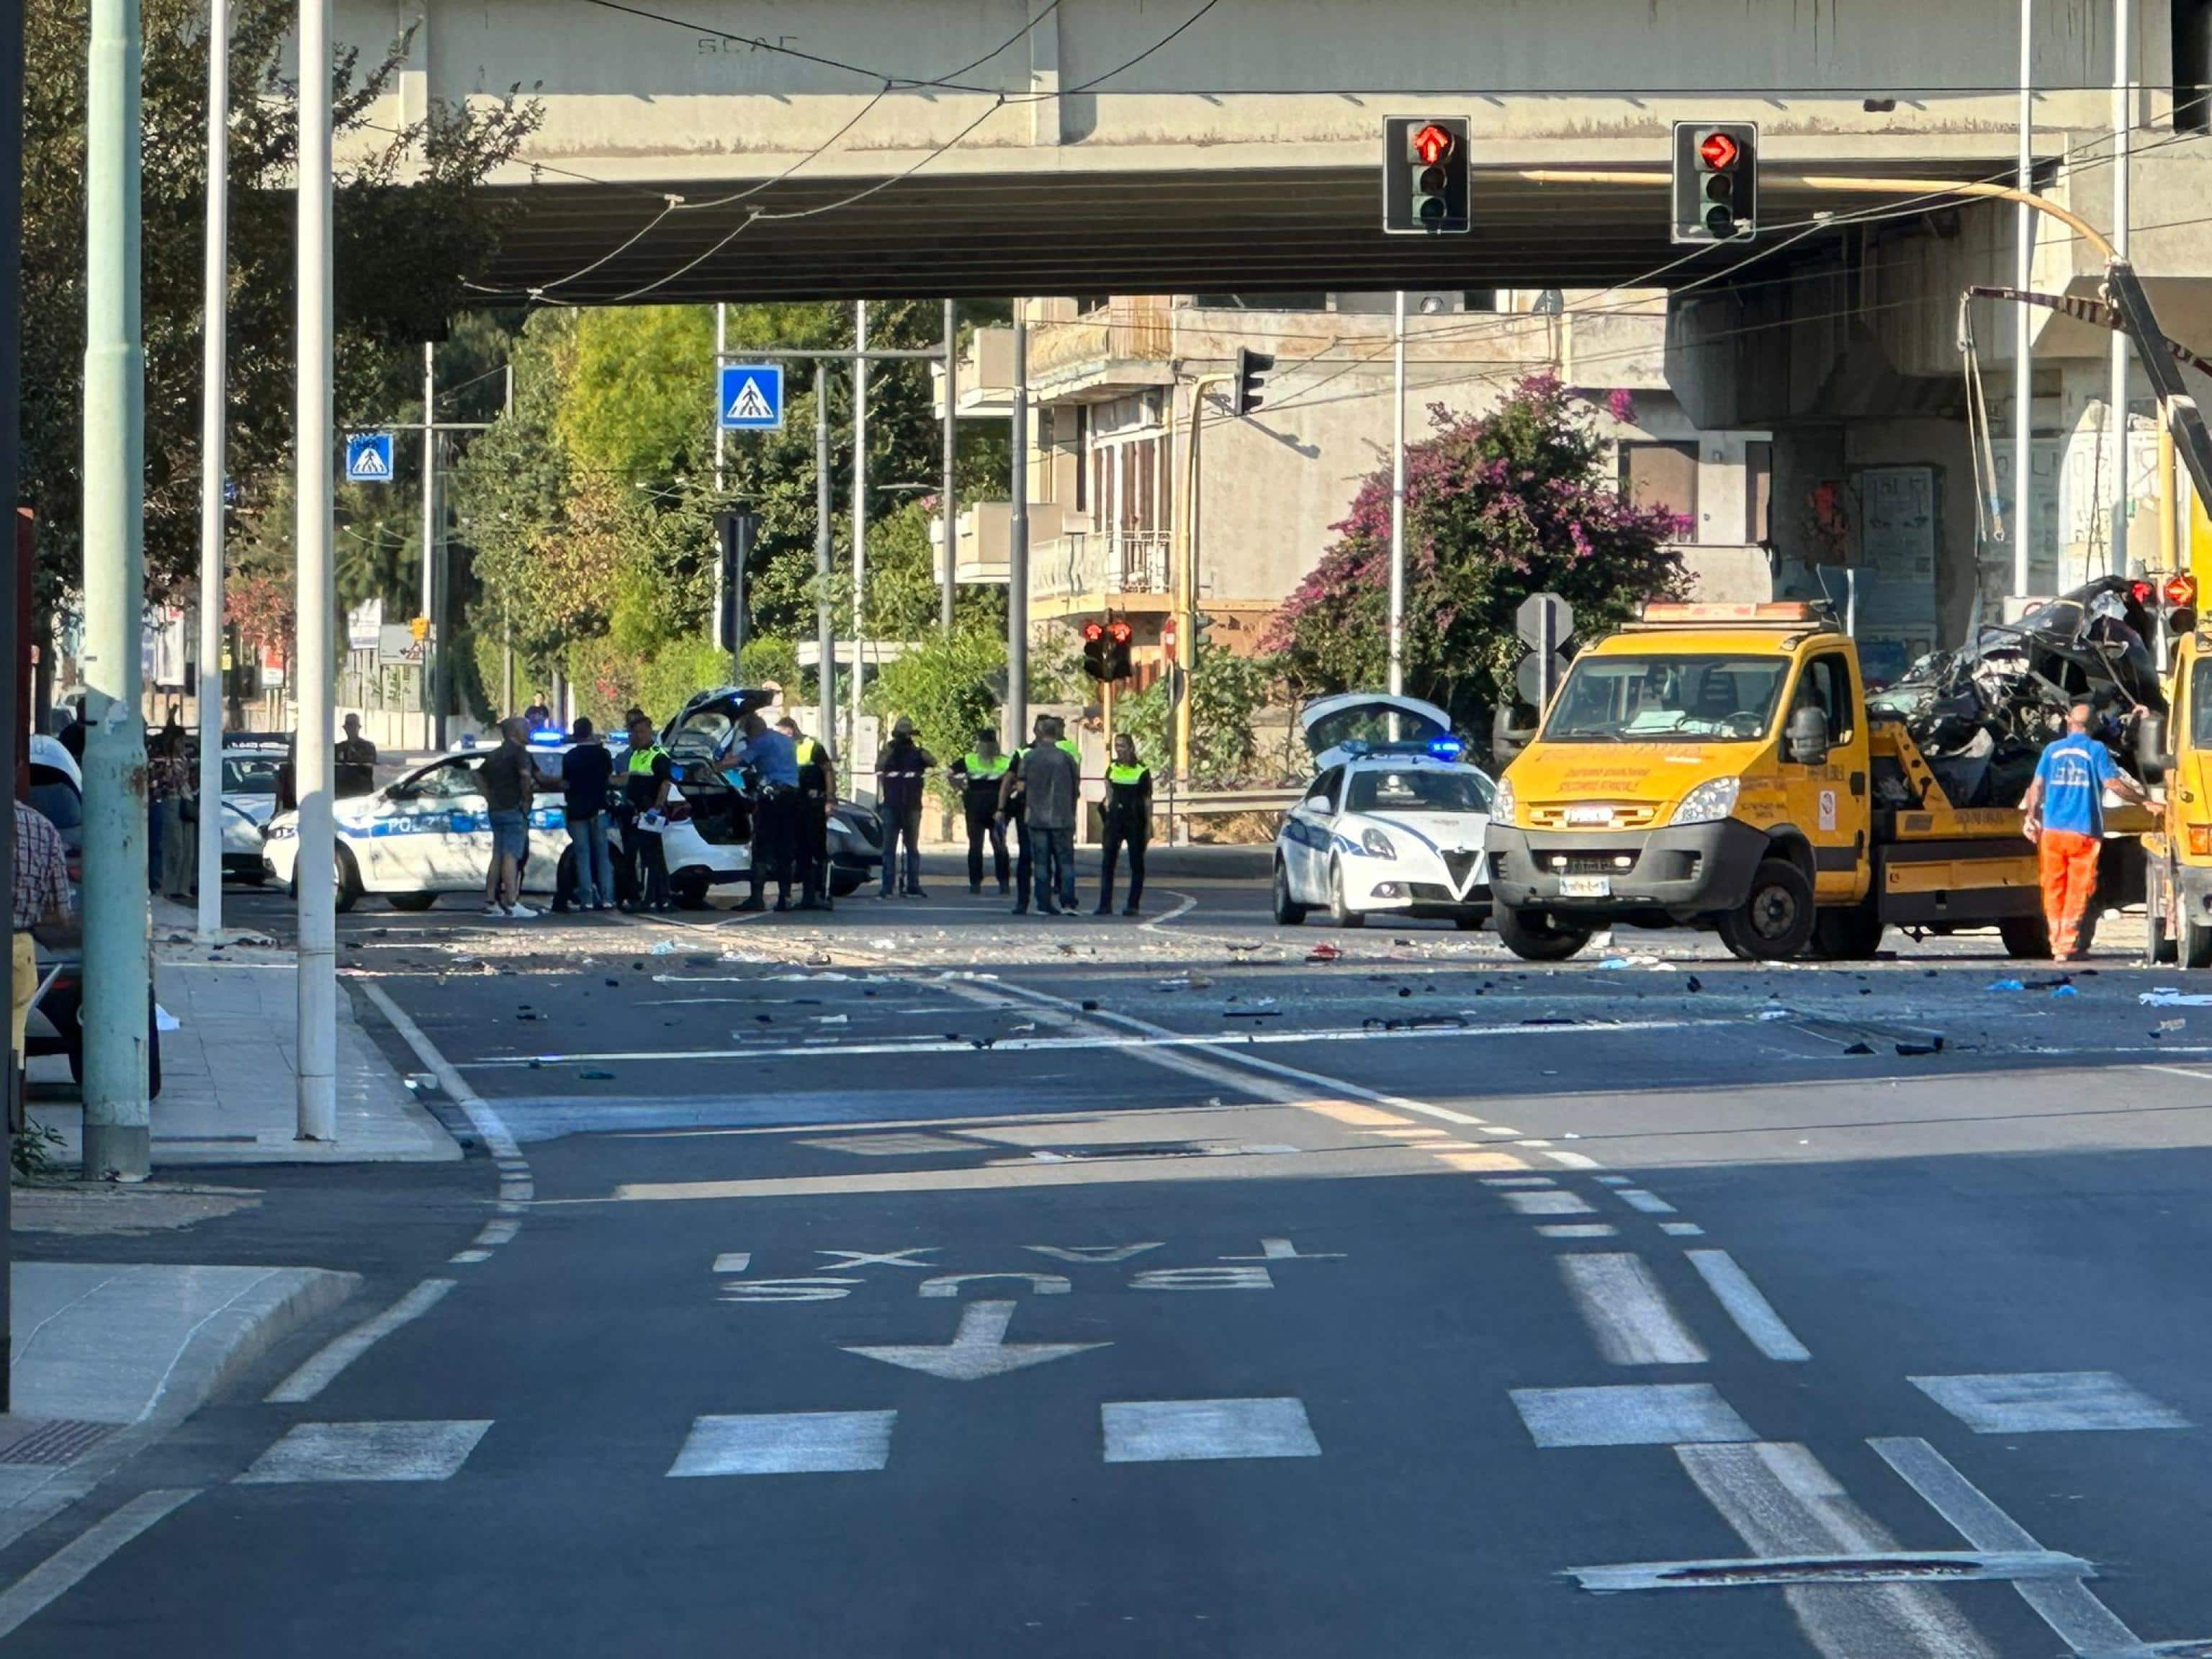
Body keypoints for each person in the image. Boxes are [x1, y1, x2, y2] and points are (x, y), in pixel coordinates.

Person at [2022, 701, 2149, 961]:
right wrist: (2143, 800)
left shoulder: (2052, 750)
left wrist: (2031, 817)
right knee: (2078, 890)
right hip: (2083, 831)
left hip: (2053, 832)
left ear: (2069, 722)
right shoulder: (2096, 750)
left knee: (2053, 888)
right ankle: (2066, 947)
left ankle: (2056, 943)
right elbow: (2113, 783)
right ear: (2092, 726)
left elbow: (2036, 786)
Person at [12, 799, 76, 1068]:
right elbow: (62, 915)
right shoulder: (42, 827)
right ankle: (9, 1092)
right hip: (18, 945)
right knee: (14, 1029)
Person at [729, 711, 800, 912]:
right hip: (791, 797)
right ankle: (785, 897)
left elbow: (739, 761)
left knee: (762, 847)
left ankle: (756, 898)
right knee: (785, 848)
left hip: (772, 799)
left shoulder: (761, 741)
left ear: (752, 731)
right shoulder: (784, 740)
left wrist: (714, 767)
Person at [1012, 716, 1079, 917]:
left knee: (1041, 864)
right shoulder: (1066, 758)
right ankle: (1068, 904)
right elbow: (1075, 788)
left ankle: (1044, 904)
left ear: (1039, 734)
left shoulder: (1030, 758)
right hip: (1062, 817)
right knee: (1065, 863)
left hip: (1037, 817)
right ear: (1057, 734)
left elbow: (1021, 786)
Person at [478, 716, 537, 920]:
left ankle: (491, 901)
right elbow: (525, 777)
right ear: (514, 732)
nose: (528, 733)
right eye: (525, 729)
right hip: (513, 808)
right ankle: (512, 902)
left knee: (497, 856)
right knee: (511, 854)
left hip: (496, 810)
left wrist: (489, 796)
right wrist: (526, 800)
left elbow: (478, 776)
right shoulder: (520, 753)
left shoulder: (494, 755)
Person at [557, 716, 617, 914]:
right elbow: (609, 779)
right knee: (602, 854)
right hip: (599, 809)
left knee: (582, 855)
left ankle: (587, 900)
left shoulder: (570, 757)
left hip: (576, 811)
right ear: (591, 731)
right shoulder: (603, 754)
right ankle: (608, 898)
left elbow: (565, 783)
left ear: (575, 735)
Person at [876, 716, 934, 899]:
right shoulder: (889, 750)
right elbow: (879, 767)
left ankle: (909, 885)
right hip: (896, 804)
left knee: (909, 849)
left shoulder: (916, 752)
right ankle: (890, 885)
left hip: (909, 805)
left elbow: (933, 761)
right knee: (893, 849)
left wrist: (918, 750)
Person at [621, 711, 674, 913]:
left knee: (650, 859)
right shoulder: (636, 755)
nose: (638, 736)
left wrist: (657, 808)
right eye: (635, 733)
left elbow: (665, 783)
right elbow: (633, 780)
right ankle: (662, 898)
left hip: (650, 814)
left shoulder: (658, 755)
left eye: (642, 732)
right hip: (637, 814)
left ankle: (650, 899)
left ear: (650, 732)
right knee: (650, 857)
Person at [778, 716, 833, 909]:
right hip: (796, 805)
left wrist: (829, 799)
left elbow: (828, 771)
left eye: (783, 733)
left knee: (817, 849)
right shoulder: (784, 749)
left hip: (814, 804)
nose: (782, 738)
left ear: (792, 730)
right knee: (801, 851)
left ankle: (822, 895)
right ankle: (807, 896)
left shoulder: (812, 746)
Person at [1096, 734, 1154, 917]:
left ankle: (1133, 905)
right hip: (1115, 821)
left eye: (1122, 746)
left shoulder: (1142, 770)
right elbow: (1109, 793)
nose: (1119, 749)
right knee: (1108, 863)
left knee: (1136, 864)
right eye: (1116, 746)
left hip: (1135, 821)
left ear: (1131, 747)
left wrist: (1149, 825)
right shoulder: (1112, 768)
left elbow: (1147, 800)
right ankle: (1105, 905)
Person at [951, 730, 1012, 896]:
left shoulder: (969, 759)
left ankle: (975, 884)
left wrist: (959, 787)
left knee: (975, 847)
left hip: (975, 808)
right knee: (1000, 846)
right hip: (997, 808)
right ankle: (1004, 883)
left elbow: (949, 773)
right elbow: (1013, 780)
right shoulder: (1005, 762)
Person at [996, 719, 1041, 915]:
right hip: (1033, 809)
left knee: (1033, 857)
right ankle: (1034, 902)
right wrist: (1002, 807)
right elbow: (1008, 780)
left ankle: (1031, 901)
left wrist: (1001, 807)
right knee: (1032, 856)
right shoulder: (1024, 752)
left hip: (1037, 809)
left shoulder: (1061, 751)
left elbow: (1008, 781)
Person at [1049, 715, 1082, 910]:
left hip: (1054, 807)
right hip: (1061, 807)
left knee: (1057, 853)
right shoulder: (1066, 751)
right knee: (1062, 853)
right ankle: (1063, 894)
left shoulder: (1068, 749)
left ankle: (1057, 889)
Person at [336, 713, 378, 799]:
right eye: (348, 725)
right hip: (342, 792)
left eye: (353, 725)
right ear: (344, 728)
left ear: (359, 727)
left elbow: (370, 761)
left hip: (362, 792)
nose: (350, 728)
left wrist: (355, 755)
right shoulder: (338, 748)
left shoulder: (368, 746)